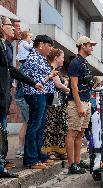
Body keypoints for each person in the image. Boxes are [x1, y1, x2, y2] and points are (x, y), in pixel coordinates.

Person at [0, 15, 43, 178]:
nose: (13, 28)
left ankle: (1, 165)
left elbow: (12, 70)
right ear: (1, 27)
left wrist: (33, 83)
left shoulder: (6, 47)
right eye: (10, 25)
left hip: (4, 95)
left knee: (2, 131)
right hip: (2, 94)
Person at [22, 35, 58, 169]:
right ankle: (31, 159)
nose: (51, 49)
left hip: (41, 94)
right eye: (49, 46)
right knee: (34, 127)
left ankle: (38, 155)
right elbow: (38, 83)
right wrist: (50, 76)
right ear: (41, 44)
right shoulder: (34, 58)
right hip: (35, 94)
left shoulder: (41, 58)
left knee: (39, 127)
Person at [65, 36, 96, 174]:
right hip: (77, 102)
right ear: (82, 45)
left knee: (80, 133)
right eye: (90, 45)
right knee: (72, 133)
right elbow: (74, 86)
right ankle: (71, 165)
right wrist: (79, 106)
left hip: (86, 101)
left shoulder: (84, 62)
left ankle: (77, 161)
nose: (92, 47)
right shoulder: (75, 63)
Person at [42, 48, 70, 160]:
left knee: (60, 126)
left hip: (59, 102)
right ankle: (50, 151)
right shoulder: (50, 68)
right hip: (51, 102)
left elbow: (62, 83)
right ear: (56, 58)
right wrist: (70, 90)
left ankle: (59, 150)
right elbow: (58, 85)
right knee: (50, 127)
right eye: (62, 57)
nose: (63, 60)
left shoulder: (58, 70)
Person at [15, 31, 33, 159]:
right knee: (28, 122)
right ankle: (22, 149)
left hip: (21, 97)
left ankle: (21, 148)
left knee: (26, 123)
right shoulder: (25, 67)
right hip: (23, 97)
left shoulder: (22, 67)